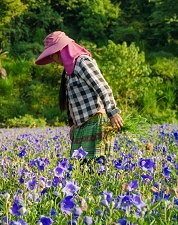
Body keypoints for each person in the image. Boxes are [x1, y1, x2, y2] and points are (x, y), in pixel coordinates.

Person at [35, 31, 124, 161]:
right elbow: (71, 101)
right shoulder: (68, 71)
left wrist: (112, 112)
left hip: (96, 121)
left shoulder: (83, 62)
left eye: (52, 55)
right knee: (81, 169)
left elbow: (102, 87)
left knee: (96, 165)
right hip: (82, 125)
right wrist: (73, 124)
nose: (53, 60)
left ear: (59, 51)